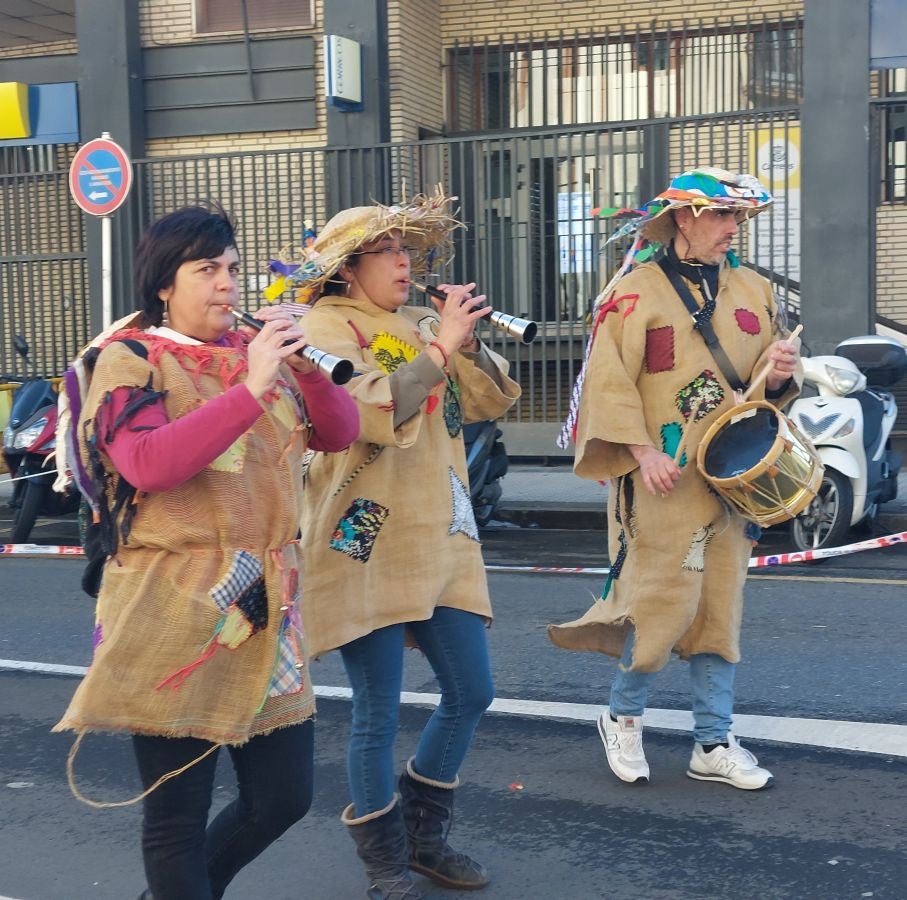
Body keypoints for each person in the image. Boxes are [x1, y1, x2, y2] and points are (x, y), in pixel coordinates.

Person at [53, 204, 359, 900]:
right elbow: (148, 465)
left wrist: (304, 370)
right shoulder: (131, 359)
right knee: (176, 818)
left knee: (282, 797)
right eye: (206, 270)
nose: (226, 284)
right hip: (172, 603)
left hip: (268, 605)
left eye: (231, 268)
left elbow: (339, 432)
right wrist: (252, 387)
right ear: (164, 283)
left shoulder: (251, 354)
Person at [280, 189, 520, 899]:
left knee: (471, 690)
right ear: (347, 268)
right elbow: (367, 414)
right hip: (361, 529)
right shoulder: (321, 326)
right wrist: (439, 346)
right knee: (375, 706)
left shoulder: (419, 320)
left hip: (438, 528)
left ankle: (423, 835)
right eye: (388, 250)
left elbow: (486, 402)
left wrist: (465, 344)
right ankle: (383, 858)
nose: (405, 262)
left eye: (408, 249)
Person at [548, 167, 801, 791]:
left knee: (721, 606)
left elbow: (765, 389)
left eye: (738, 217)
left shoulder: (753, 290)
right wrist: (640, 451)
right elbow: (607, 381)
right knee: (661, 601)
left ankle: (713, 741)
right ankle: (622, 717)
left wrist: (778, 372)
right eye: (721, 215)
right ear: (684, 218)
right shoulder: (633, 293)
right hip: (660, 475)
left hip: (732, 476)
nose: (732, 227)